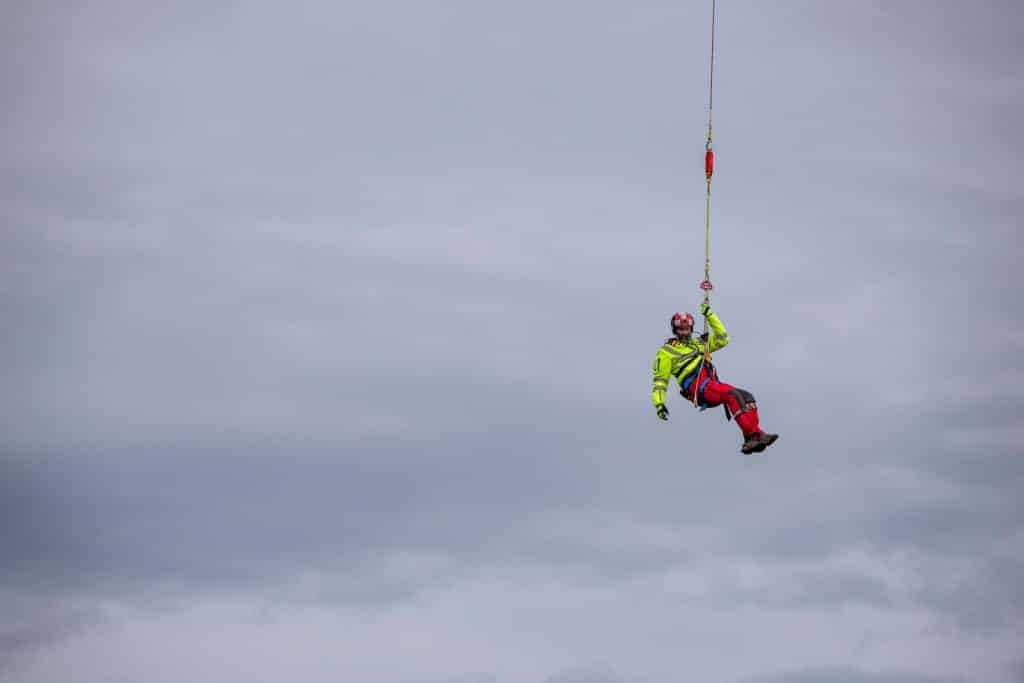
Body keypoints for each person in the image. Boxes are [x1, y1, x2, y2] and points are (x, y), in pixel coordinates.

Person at [651, 303, 779, 454]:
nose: (684, 332)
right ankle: (751, 436)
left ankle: (756, 435)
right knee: (732, 395)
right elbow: (660, 380)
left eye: (687, 328)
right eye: (681, 328)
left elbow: (723, 338)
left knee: (747, 397)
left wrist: (709, 315)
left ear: (691, 328)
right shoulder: (666, 352)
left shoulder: (699, 344)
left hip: (711, 383)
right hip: (697, 386)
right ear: (675, 330)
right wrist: (659, 403)